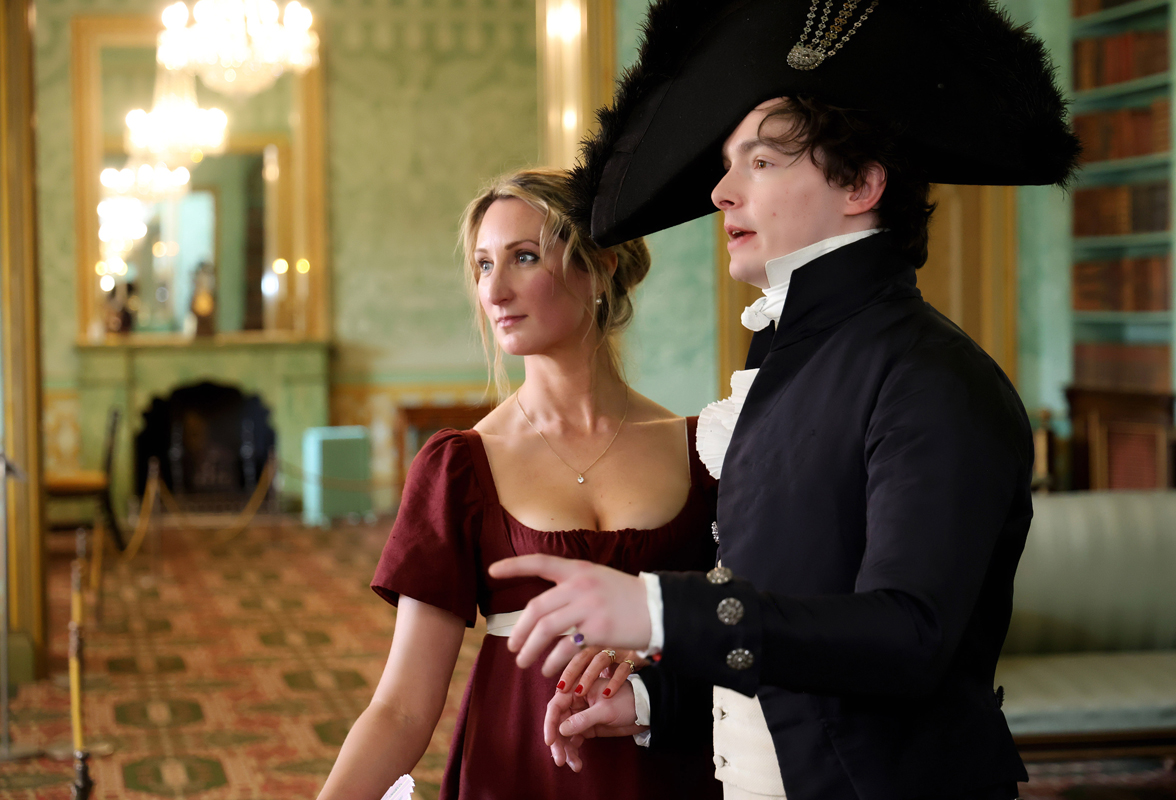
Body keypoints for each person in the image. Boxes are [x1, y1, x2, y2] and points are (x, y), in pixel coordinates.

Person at [487, 2, 1081, 799]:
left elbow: (909, 637)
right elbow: (796, 629)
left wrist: (660, 610)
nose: (723, 190)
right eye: (729, 163)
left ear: (863, 184)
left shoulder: (933, 378)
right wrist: (650, 698)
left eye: (762, 162)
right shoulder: (790, 365)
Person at [317, 168, 722, 800]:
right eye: (482, 266)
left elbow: (748, 636)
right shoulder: (461, 466)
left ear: (602, 265)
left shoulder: (702, 449)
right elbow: (401, 708)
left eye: (523, 257)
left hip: (669, 762)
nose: (495, 290)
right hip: (519, 769)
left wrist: (662, 658)